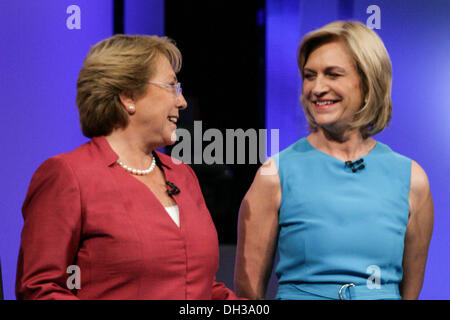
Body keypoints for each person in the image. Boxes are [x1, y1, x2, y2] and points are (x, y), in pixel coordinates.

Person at [16, 34, 238, 300]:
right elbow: (40, 289)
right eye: (171, 87)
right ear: (128, 96)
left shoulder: (183, 175)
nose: (182, 102)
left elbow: (201, 287)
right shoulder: (67, 176)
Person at [234, 21, 434, 300]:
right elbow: (248, 294)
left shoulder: (412, 179)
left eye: (333, 74)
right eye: (309, 75)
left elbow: (409, 292)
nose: (317, 88)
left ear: (367, 81)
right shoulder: (275, 174)